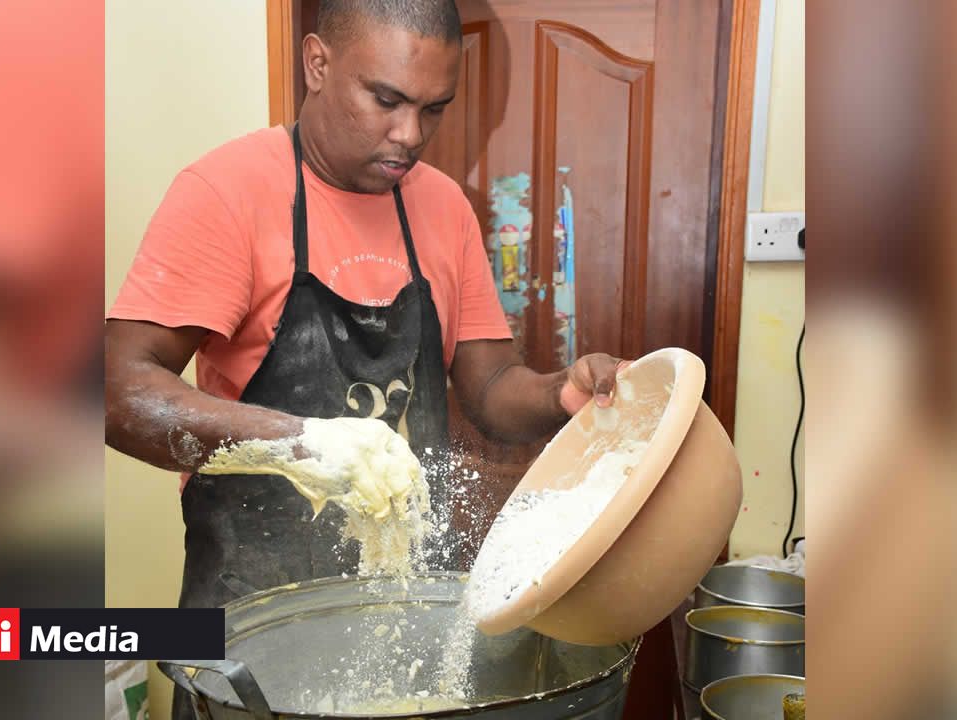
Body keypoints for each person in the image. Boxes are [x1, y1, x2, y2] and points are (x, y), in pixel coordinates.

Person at [104, 3, 624, 713]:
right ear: (318, 64)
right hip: (254, 626)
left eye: (433, 110)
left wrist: (562, 390)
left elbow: (492, 385)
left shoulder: (443, 209)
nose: (409, 136)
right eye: (386, 100)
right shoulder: (228, 193)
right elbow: (119, 392)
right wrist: (304, 443)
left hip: (404, 614)